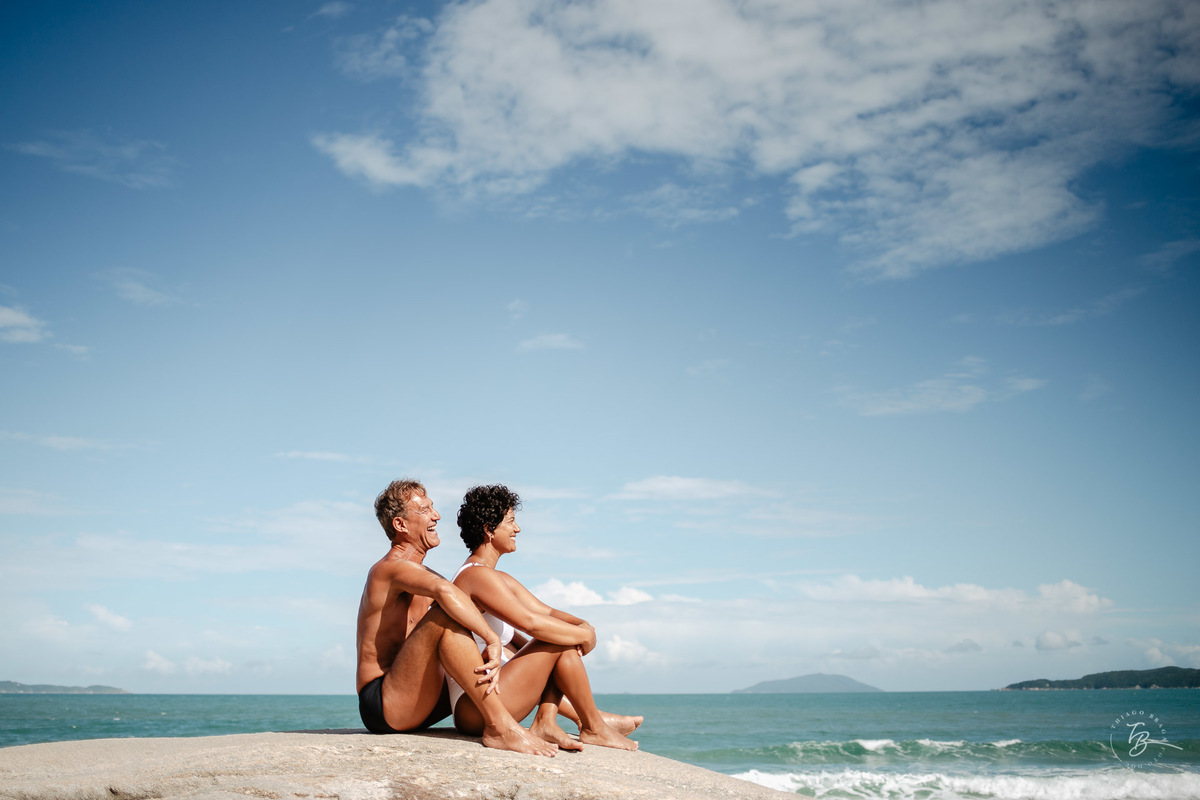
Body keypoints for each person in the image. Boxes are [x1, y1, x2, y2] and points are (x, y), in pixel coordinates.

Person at [355, 479, 557, 756]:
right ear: (400, 525)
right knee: (449, 616)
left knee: (494, 632)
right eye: (425, 510)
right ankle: (500, 728)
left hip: (423, 698)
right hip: (384, 701)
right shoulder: (387, 570)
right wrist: (490, 638)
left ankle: (571, 717)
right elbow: (444, 591)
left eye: (433, 508)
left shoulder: (424, 575)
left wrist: (523, 650)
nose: (436, 515)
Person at [447, 484, 641, 751]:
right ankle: (594, 726)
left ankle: (550, 723)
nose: (517, 529)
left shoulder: (495, 577)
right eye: (511, 522)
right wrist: (582, 636)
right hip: (475, 707)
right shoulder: (475, 576)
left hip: (494, 695)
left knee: (561, 635)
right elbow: (532, 623)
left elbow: (545, 612)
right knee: (557, 638)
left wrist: (583, 625)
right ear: (489, 530)